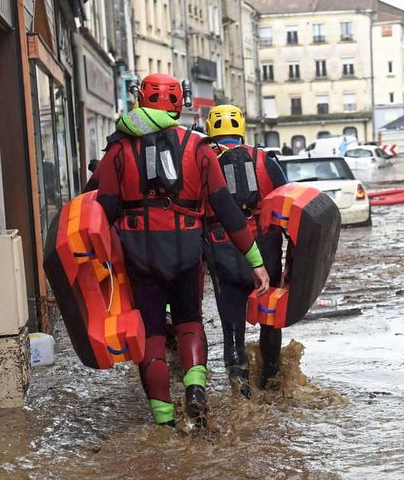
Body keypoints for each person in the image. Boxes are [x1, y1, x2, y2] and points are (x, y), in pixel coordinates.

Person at [91, 74, 270, 427]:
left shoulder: (119, 149)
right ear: (179, 102)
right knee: (189, 321)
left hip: (139, 256)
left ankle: (164, 422)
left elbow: (102, 210)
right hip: (188, 252)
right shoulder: (199, 147)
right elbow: (226, 210)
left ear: (141, 99)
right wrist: (256, 262)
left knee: (153, 334)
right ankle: (194, 389)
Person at [204, 104, 288, 397]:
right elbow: (289, 205)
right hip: (266, 253)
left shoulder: (205, 161)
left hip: (224, 252)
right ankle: (271, 381)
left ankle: (241, 393)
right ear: (241, 129)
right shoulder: (266, 161)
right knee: (269, 320)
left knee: (232, 328)